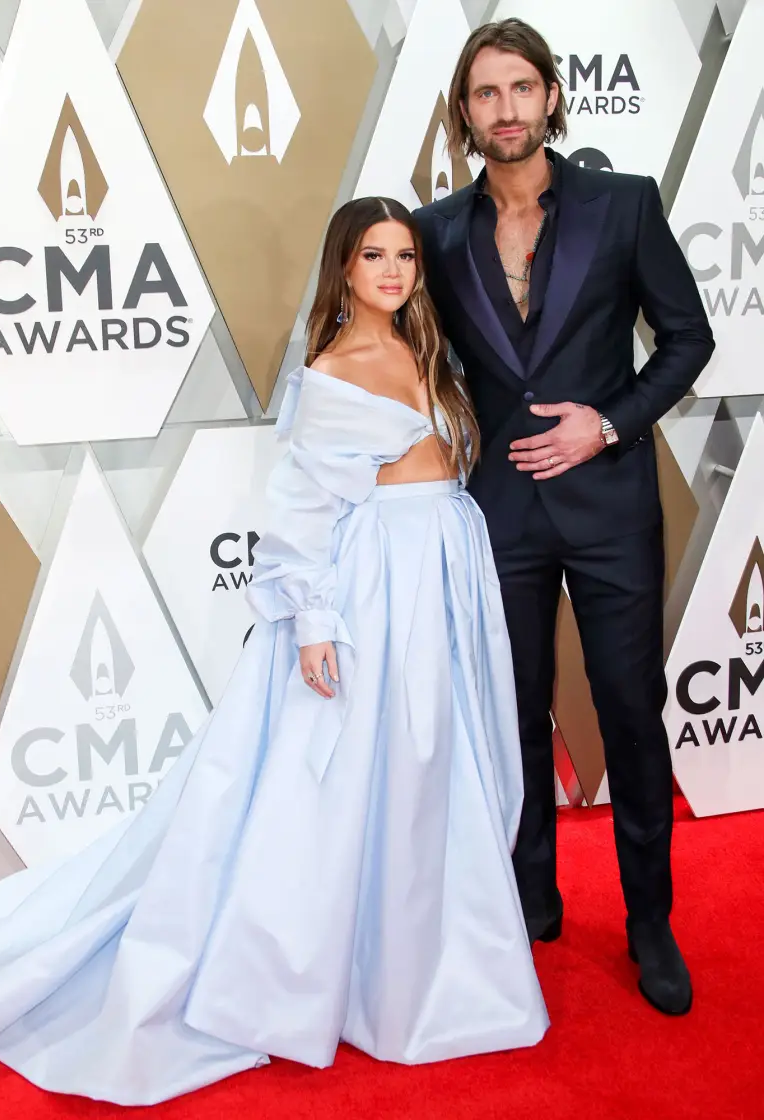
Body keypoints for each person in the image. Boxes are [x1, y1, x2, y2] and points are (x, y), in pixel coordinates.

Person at [0, 196, 549, 1106]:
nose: (395, 272)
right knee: (362, 774)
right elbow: (301, 514)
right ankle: (331, 970)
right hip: (379, 592)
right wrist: (315, 624)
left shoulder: (425, 349)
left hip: (441, 572)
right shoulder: (337, 370)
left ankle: (415, 954)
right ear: (345, 270)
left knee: (428, 767)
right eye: (374, 257)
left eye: (405, 255)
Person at [412, 18, 714, 1017]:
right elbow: (410, 357)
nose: (505, 109)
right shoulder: (437, 232)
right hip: (500, 512)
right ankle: (532, 895)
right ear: (466, 112)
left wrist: (609, 422)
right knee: (515, 712)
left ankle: (649, 921)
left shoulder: (623, 205)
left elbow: (685, 338)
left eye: (520, 89)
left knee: (631, 712)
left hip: (612, 506)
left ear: (551, 97)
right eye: (485, 93)